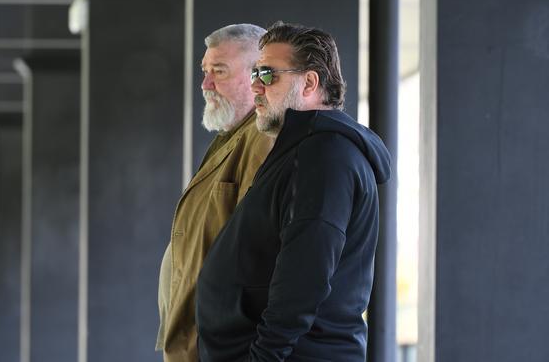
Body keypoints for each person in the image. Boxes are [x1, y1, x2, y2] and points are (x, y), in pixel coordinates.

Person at [196, 22, 392, 361]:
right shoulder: (301, 148)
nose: (255, 85)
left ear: (310, 83)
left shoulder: (325, 156)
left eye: (268, 75)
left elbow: (304, 279)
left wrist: (263, 356)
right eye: (255, 72)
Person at [157, 24, 273, 362]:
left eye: (218, 72)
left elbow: (254, 253)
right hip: (197, 338)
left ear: (256, 76)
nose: (206, 85)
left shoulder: (261, 140)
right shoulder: (230, 136)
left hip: (218, 345)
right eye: (205, 72)